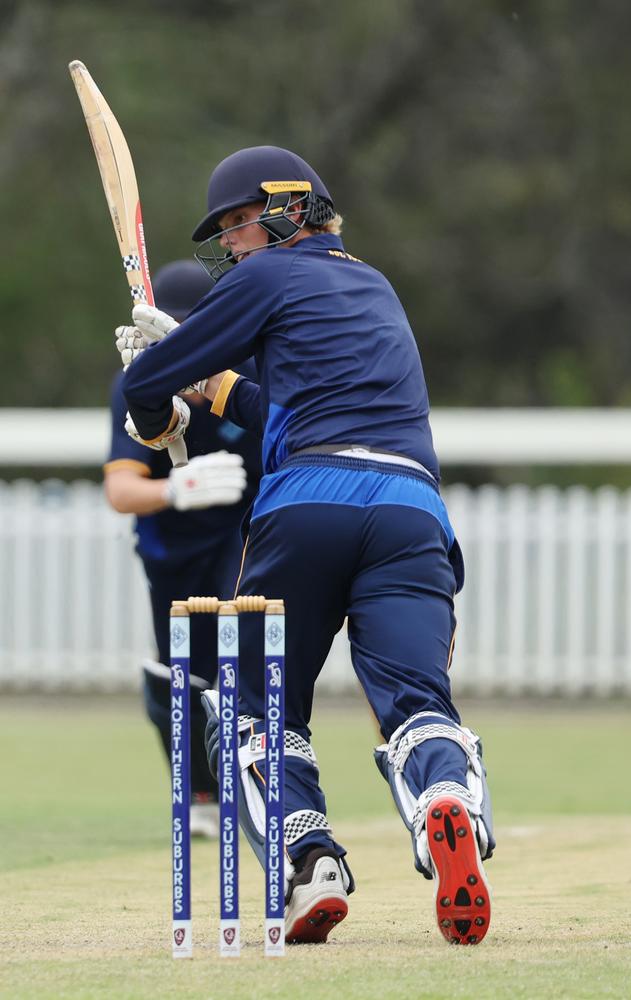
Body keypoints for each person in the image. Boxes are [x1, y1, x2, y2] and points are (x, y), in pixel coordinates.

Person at [120, 146, 495, 945]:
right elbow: (289, 407)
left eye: (240, 225)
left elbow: (140, 387)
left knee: (252, 706)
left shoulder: (263, 277)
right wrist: (206, 385)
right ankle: (445, 803)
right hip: (409, 509)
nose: (233, 246)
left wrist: (158, 410)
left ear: (287, 208)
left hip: (311, 505)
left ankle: (307, 861)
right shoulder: (372, 284)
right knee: (417, 703)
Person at [104, 259, 262, 838]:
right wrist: (174, 487)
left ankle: (251, 783)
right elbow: (120, 489)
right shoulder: (136, 381)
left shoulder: (243, 374)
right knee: (180, 674)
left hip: (239, 536)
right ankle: (196, 790)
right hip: (169, 545)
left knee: (239, 662)